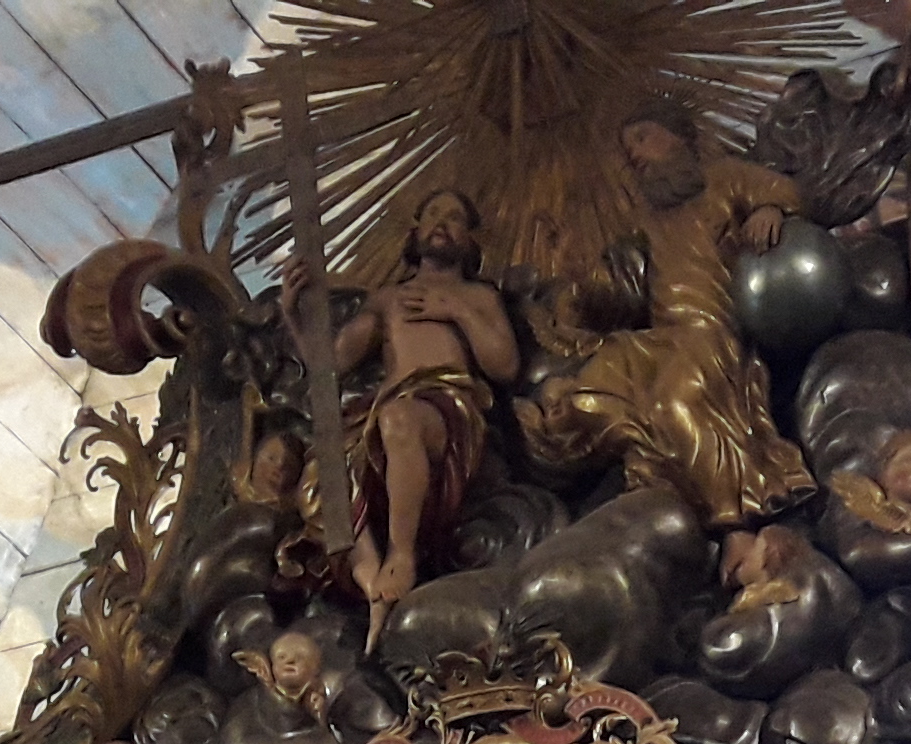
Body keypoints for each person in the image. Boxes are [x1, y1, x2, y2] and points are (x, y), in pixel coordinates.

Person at [525, 102, 815, 528]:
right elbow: (618, 297)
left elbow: (787, 190)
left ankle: (732, 515)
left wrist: (769, 208)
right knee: (581, 399)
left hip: (711, 329)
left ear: (680, 136)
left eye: (643, 138)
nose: (634, 155)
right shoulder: (644, 223)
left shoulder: (724, 178)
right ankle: (660, 479)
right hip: (658, 339)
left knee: (673, 402)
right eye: (628, 151)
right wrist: (575, 268)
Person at [333, 189, 521, 607]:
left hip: (448, 409)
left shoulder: (479, 296)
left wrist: (456, 310)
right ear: (415, 231)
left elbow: (505, 366)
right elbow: (334, 363)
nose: (442, 222)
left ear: (469, 240)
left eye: (455, 217)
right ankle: (370, 577)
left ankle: (401, 555)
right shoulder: (387, 298)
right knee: (328, 459)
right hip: (384, 409)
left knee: (400, 420)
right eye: (433, 213)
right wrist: (297, 314)